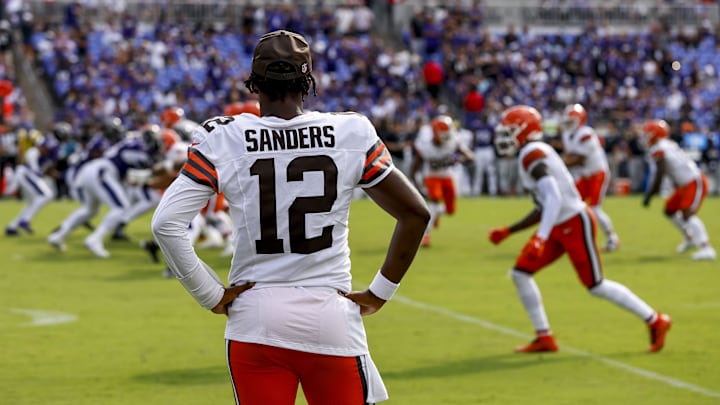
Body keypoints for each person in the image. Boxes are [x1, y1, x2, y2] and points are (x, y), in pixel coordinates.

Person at [151, 30, 430, 405]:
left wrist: (211, 294)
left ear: (254, 83)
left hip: (254, 318)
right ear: (307, 81)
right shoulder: (350, 131)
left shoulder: (224, 139)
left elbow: (165, 224)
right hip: (329, 314)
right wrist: (380, 292)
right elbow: (415, 213)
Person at [487, 105, 671, 353]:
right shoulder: (532, 152)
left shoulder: (531, 153)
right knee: (521, 273)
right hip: (557, 223)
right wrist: (510, 230)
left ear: (523, 130)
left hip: (574, 222)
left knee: (596, 285)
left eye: (509, 130)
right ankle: (544, 337)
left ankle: (656, 320)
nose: (504, 136)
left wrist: (540, 238)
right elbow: (545, 205)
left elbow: (553, 197)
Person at [639, 119, 716, 260]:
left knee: (687, 214)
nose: (645, 136)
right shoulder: (667, 144)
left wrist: (649, 194)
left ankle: (707, 248)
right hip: (684, 184)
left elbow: (660, 173)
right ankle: (689, 238)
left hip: (693, 181)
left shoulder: (659, 148)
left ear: (655, 134)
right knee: (670, 210)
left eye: (647, 133)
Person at [560, 103, 620, 251]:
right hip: (585, 174)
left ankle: (612, 238)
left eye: (571, 121)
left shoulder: (586, 134)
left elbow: (578, 159)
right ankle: (572, 238)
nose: (568, 125)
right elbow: (569, 156)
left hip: (597, 173)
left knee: (594, 208)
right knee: (571, 204)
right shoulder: (568, 135)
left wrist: (557, 165)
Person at [410, 114, 474, 247]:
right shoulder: (426, 145)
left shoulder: (453, 139)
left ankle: (436, 212)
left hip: (447, 175)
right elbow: (415, 167)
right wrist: (416, 185)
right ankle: (425, 234)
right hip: (431, 175)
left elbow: (469, 156)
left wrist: (460, 159)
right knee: (434, 200)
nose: (446, 138)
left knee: (450, 210)